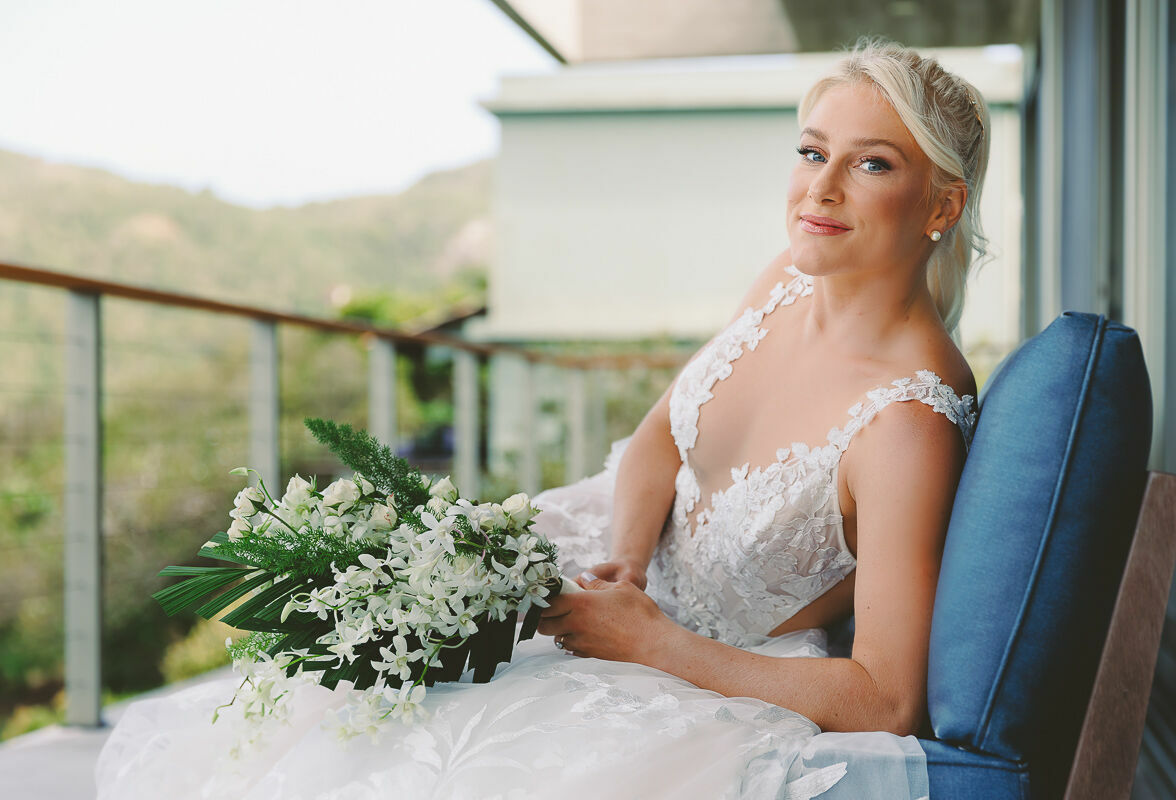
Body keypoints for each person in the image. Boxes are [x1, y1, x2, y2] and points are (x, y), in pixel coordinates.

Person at [96, 36, 988, 800]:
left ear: (941, 205)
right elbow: (655, 440)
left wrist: (650, 641)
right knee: (332, 701)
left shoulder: (904, 423)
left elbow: (886, 699)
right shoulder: (789, 282)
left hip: (697, 665)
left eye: (871, 163)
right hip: (604, 570)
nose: (820, 188)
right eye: (810, 151)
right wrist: (625, 568)